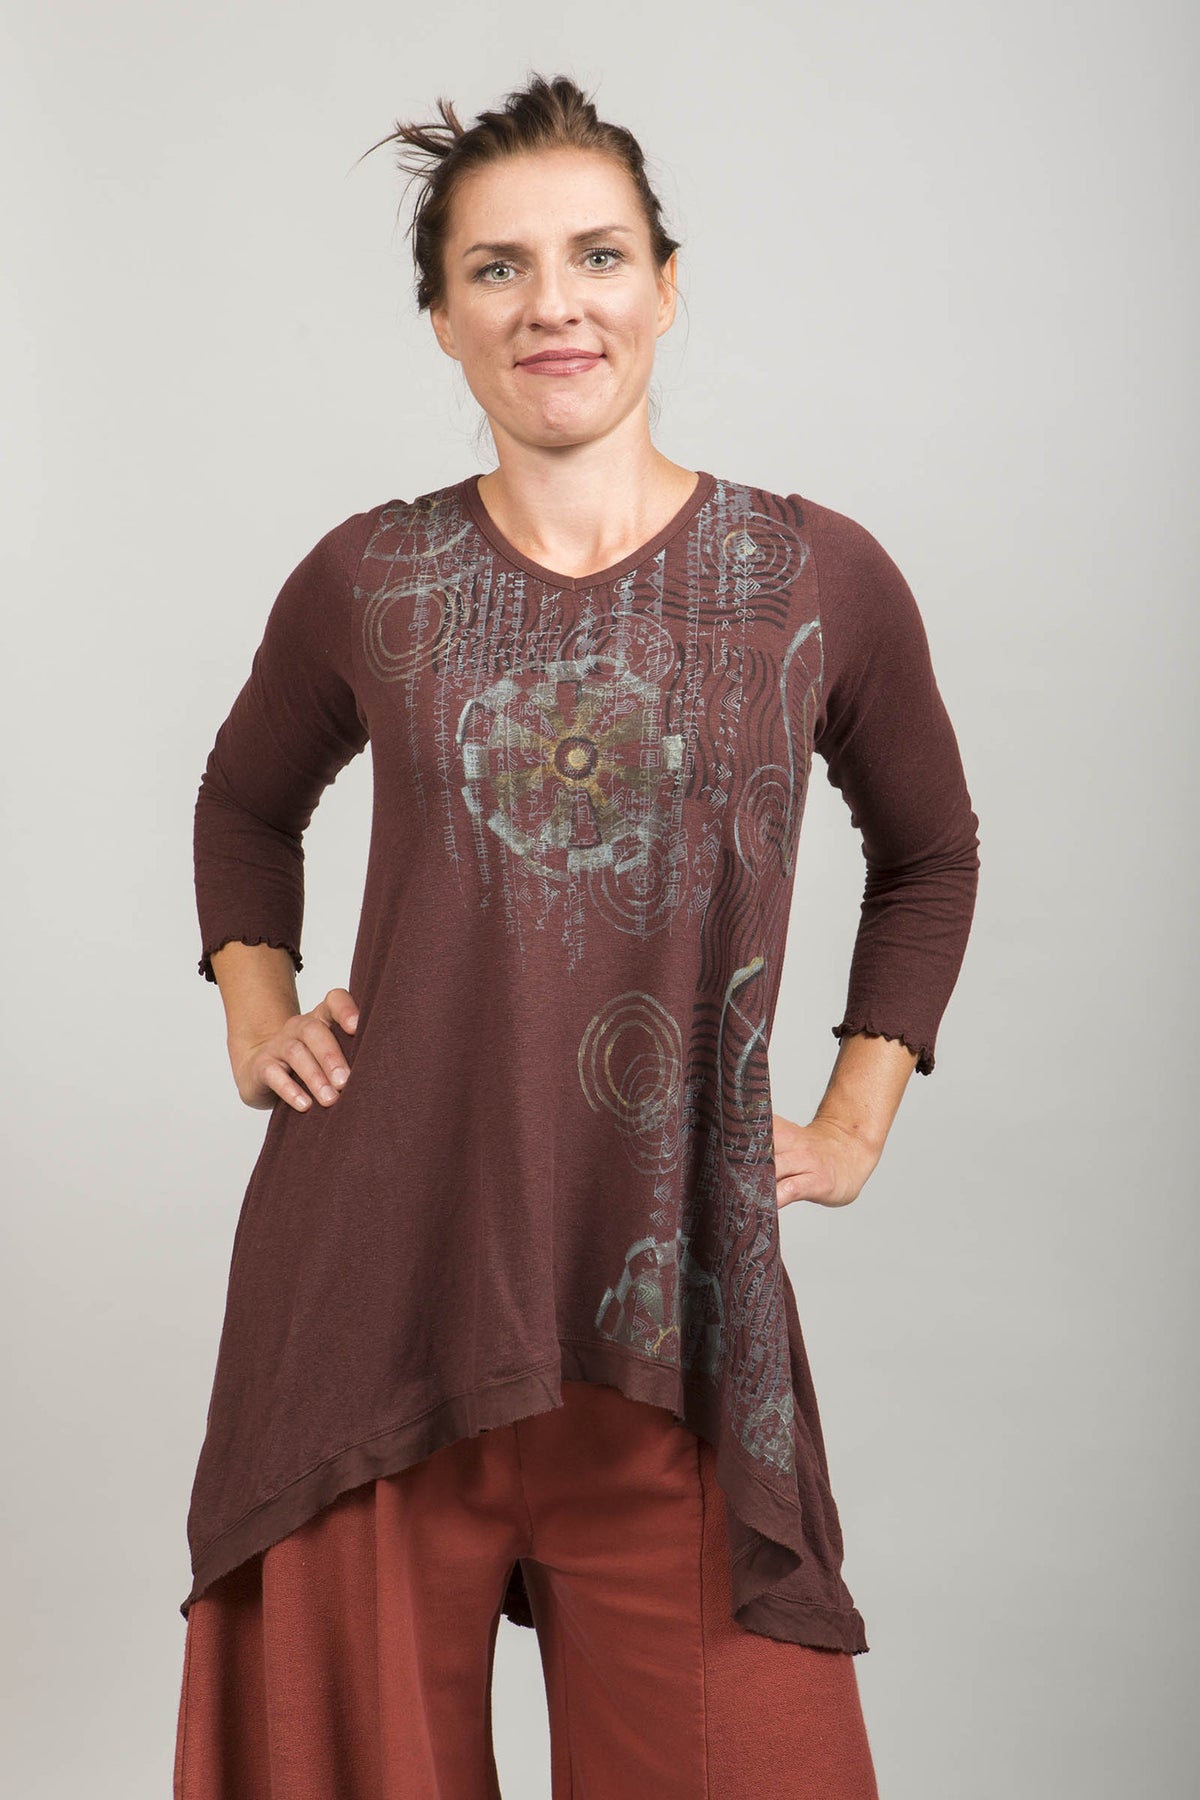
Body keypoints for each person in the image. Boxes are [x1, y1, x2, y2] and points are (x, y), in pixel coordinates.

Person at [172, 70, 980, 1800]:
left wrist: (856, 1120)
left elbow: (931, 851)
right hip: (374, 1311)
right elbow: (243, 804)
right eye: (500, 268)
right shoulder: (369, 580)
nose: (556, 303)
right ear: (444, 320)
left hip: (670, 1320)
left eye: (599, 256)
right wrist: (254, 1005)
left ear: (665, 289)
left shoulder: (811, 576)